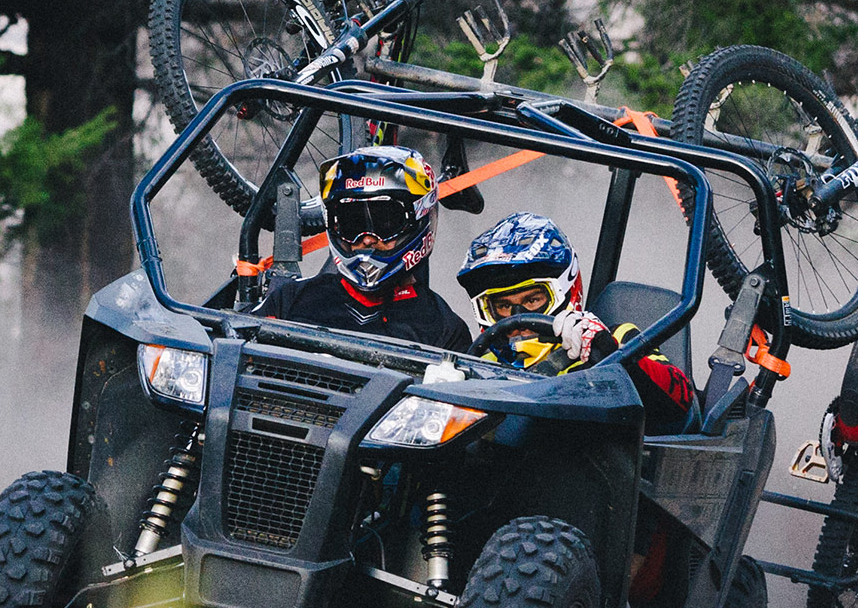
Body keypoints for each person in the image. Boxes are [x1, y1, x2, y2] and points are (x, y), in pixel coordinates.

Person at [458, 211, 696, 431]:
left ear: (566, 291)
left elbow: (682, 402)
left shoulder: (618, 339)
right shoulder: (480, 360)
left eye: (532, 300)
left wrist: (613, 356)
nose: (516, 318)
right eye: (504, 306)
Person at [255, 145, 473, 351]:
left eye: (385, 222)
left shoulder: (444, 330)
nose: (367, 239)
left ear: (419, 219)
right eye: (353, 223)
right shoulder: (291, 298)